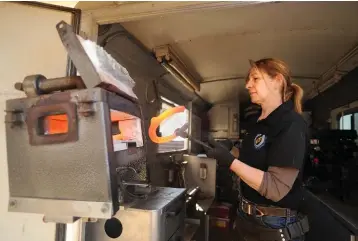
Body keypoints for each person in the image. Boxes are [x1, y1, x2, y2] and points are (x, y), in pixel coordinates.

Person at [205, 58, 309, 241]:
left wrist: (229, 162)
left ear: (277, 80)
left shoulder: (291, 123)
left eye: (255, 79)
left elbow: (276, 188)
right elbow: (250, 157)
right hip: (247, 216)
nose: (247, 85)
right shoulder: (258, 123)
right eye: (248, 80)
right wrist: (227, 150)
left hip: (274, 223)